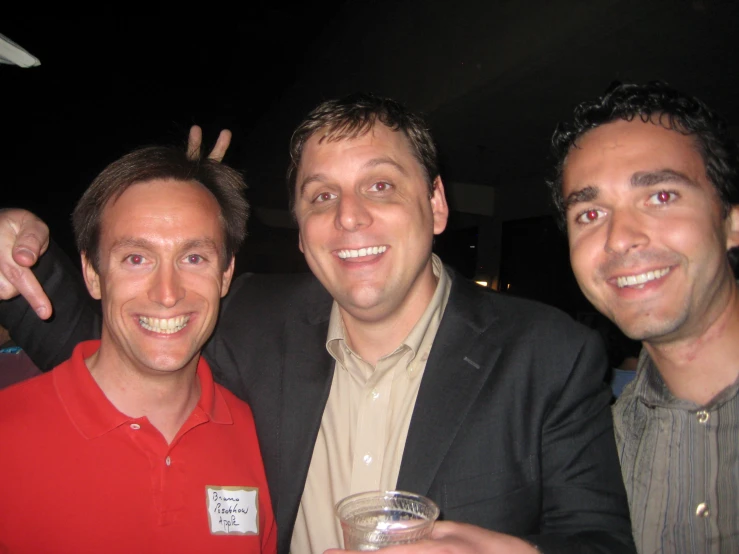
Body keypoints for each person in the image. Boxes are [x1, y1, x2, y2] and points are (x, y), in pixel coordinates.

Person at [0, 96, 635, 553]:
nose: (349, 218)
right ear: (301, 231)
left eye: (380, 186)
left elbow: (602, 538)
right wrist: (19, 260)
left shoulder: (550, 355)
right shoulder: (251, 319)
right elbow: (125, 338)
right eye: (321, 196)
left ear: (436, 203)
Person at [0, 146, 276, 553]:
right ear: (93, 275)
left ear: (225, 275)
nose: (168, 293)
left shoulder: (264, 440)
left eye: (194, 257)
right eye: (136, 258)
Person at [549, 81, 739, 553]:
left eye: (661, 197)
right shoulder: (591, 453)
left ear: (732, 223)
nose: (618, 238)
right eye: (589, 214)